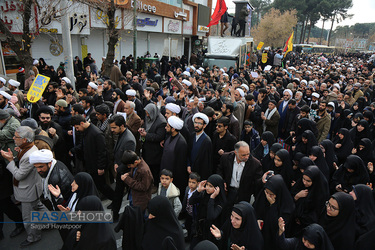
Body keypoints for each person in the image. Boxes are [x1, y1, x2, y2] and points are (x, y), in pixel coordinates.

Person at [1, 126, 47, 247]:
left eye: (16, 137)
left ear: (24, 139)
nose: (13, 138)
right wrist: (17, 155)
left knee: (28, 218)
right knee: (38, 206)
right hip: (33, 188)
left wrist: (10, 161)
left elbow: (19, 175)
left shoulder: (28, 155)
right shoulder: (28, 148)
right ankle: (50, 223)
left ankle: (34, 237)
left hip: (28, 191)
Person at [70, 115, 114, 201]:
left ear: (82, 123)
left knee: (102, 186)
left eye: (77, 127)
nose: (77, 130)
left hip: (97, 166)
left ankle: (115, 199)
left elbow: (102, 151)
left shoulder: (96, 133)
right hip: (90, 165)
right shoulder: (86, 131)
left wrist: (100, 167)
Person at [253, 175, 295, 250]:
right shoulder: (263, 196)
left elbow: (277, 225)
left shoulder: (287, 206)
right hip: (260, 236)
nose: (268, 196)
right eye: (267, 192)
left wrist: (273, 205)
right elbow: (255, 210)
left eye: (271, 194)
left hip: (274, 241)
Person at [217, 141, 262, 206]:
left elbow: (257, 182)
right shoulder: (226, 158)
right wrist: (222, 182)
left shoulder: (255, 164)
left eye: (248, 154)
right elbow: (219, 170)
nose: (246, 157)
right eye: (243, 155)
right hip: (228, 192)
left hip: (244, 195)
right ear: (236, 152)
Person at [108, 114, 136, 220]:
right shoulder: (121, 134)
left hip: (125, 172)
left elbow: (129, 160)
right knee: (118, 192)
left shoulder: (129, 139)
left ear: (122, 126)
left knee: (127, 194)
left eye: (114, 127)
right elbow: (118, 152)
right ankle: (115, 213)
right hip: (120, 169)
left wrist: (119, 168)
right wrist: (116, 162)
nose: (112, 130)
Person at [189, 174, 226, 248]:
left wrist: (212, 198)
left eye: (211, 186)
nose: (207, 188)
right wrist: (198, 191)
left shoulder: (220, 202)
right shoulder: (204, 195)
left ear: (217, 188)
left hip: (210, 233)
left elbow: (211, 216)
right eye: (207, 185)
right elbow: (191, 201)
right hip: (199, 230)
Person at [290, 165, 330, 234]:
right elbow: (290, 198)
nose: (304, 182)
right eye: (303, 179)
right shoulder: (300, 184)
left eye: (308, 181)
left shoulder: (320, 192)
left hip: (308, 226)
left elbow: (317, 213)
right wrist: (297, 196)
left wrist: (302, 219)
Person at [160, 116, 188, 200]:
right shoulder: (169, 137)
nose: (165, 128)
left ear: (173, 129)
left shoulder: (181, 143)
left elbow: (180, 165)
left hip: (174, 178)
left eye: (167, 126)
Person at [140, 103, 166, 190]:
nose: (147, 115)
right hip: (147, 148)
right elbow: (146, 126)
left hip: (155, 151)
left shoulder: (161, 122)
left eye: (148, 113)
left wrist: (146, 135)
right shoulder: (150, 117)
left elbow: (159, 137)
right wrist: (142, 129)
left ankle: (155, 185)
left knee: (154, 169)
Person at [188, 113, 213, 180]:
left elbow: (207, 163)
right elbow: (189, 152)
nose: (196, 125)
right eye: (195, 122)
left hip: (200, 174)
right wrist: (188, 165)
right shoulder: (192, 136)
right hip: (191, 172)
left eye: (199, 123)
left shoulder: (207, 141)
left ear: (204, 126)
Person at [180, 172, 200, 241]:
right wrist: (183, 209)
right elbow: (185, 200)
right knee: (187, 225)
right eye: (189, 182)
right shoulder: (187, 189)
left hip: (194, 215)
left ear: (198, 183)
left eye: (193, 182)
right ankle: (188, 236)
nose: (191, 184)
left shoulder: (199, 193)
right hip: (188, 212)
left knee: (193, 227)